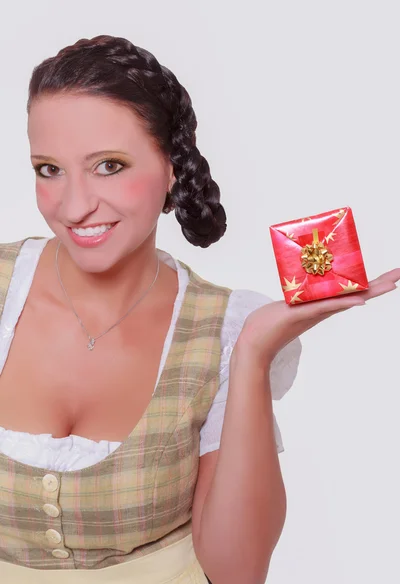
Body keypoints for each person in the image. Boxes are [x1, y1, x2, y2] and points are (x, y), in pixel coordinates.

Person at [0, 34, 397, 584]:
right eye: (49, 169)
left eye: (108, 165)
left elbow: (237, 573)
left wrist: (253, 357)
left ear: (170, 167)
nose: (74, 205)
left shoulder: (225, 331)